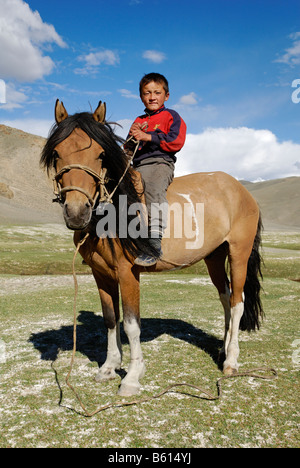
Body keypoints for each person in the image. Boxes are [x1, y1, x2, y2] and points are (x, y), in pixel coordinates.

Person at [126, 72, 187, 266]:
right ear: (141, 96)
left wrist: (148, 137)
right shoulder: (137, 120)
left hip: (160, 163)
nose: (152, 97)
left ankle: (153, 244)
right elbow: (128, 147)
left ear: (166, 96)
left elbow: (176, 141)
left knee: (153, 190)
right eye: (147, 93)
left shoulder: (171, 116)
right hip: (137, 165)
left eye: (157, 92)